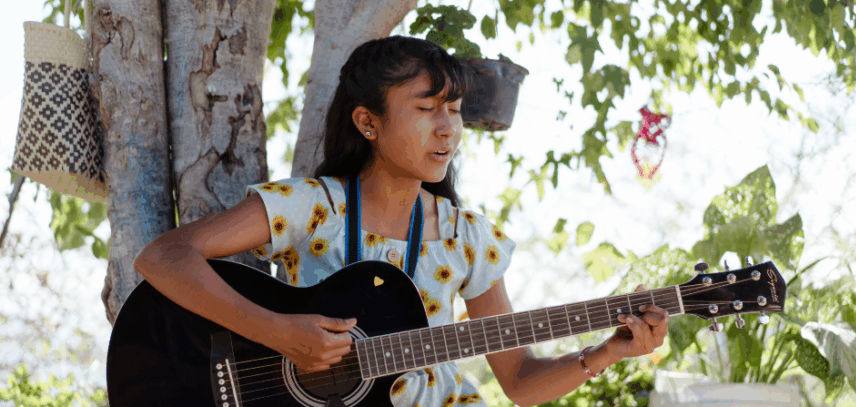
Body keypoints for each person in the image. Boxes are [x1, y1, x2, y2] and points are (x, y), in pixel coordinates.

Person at [133, 35, 669, 407]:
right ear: (368, 122)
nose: (447, 129)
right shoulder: (312, 207)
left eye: (454, 110)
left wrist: (606, 352)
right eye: (426, 109)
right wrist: (274, 331)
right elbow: (162, 257)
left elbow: (521, 381)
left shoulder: (467, 237)